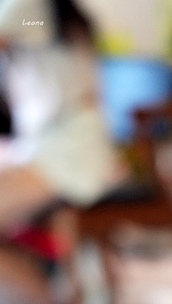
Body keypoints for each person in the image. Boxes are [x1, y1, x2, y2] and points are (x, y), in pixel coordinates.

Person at [0, 0, 124, 230]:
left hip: (62, 154)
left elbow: (21, 24)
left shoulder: (28, 10)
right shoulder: (59, 14)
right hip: (70, 146)